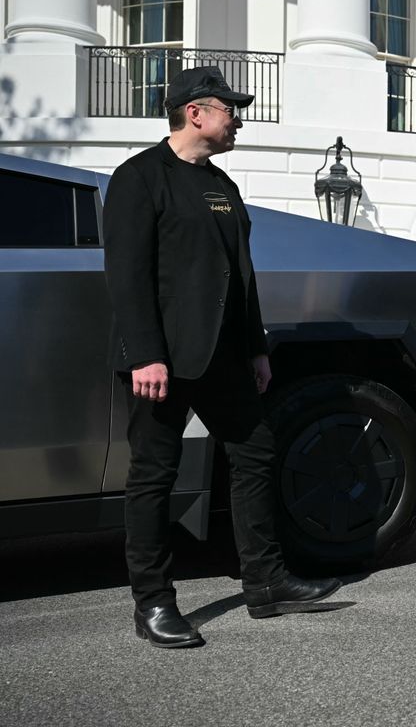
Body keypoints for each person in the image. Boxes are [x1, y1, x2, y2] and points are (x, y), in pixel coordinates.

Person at [104, 66, 341, 648]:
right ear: (196, 113)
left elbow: (242, 277)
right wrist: (146, 355)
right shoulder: (138, 178)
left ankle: (265, 583)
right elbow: (127, 276)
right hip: (163, 361)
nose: (238, 119)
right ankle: (153, 604)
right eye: (230, 109)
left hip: (226, 357)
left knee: (256, 454)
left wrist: (255, 347)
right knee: (153, 477)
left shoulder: (222, 187)